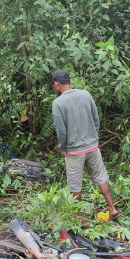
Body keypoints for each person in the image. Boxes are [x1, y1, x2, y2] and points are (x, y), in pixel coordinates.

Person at [51, 69, 119, 219]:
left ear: (57, 84)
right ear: (69, 81)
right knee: (101, 177)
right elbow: (96, 119)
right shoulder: (85, 94)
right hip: (92, 146)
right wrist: (93, 137)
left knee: (75, 185)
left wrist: (64, 148)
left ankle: (77, 218)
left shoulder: (58, 103)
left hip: (74, 151)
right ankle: (112, 208)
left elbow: (61, 131)